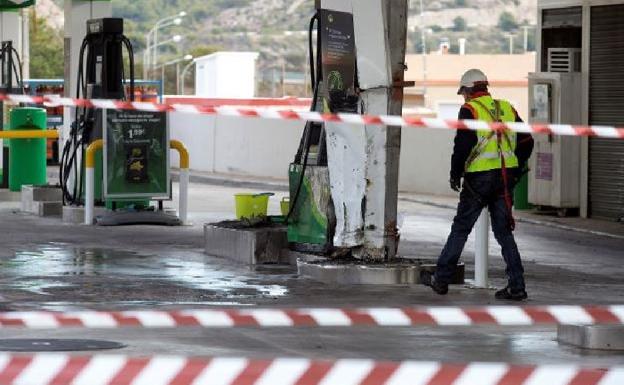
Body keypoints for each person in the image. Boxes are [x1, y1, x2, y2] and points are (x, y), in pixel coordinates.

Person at [421, 69, 534, 301]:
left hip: (479, 179)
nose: (463, 97)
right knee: (504, 233)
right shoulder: (506, 108)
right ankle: (517, 285)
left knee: (461, 228)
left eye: (463, 93)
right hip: (504, 178)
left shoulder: (470, 109)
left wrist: (455, 173)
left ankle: (441, 279)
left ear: (469, 91)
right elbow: (527, 140)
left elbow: (462, 145)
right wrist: (516, 167)